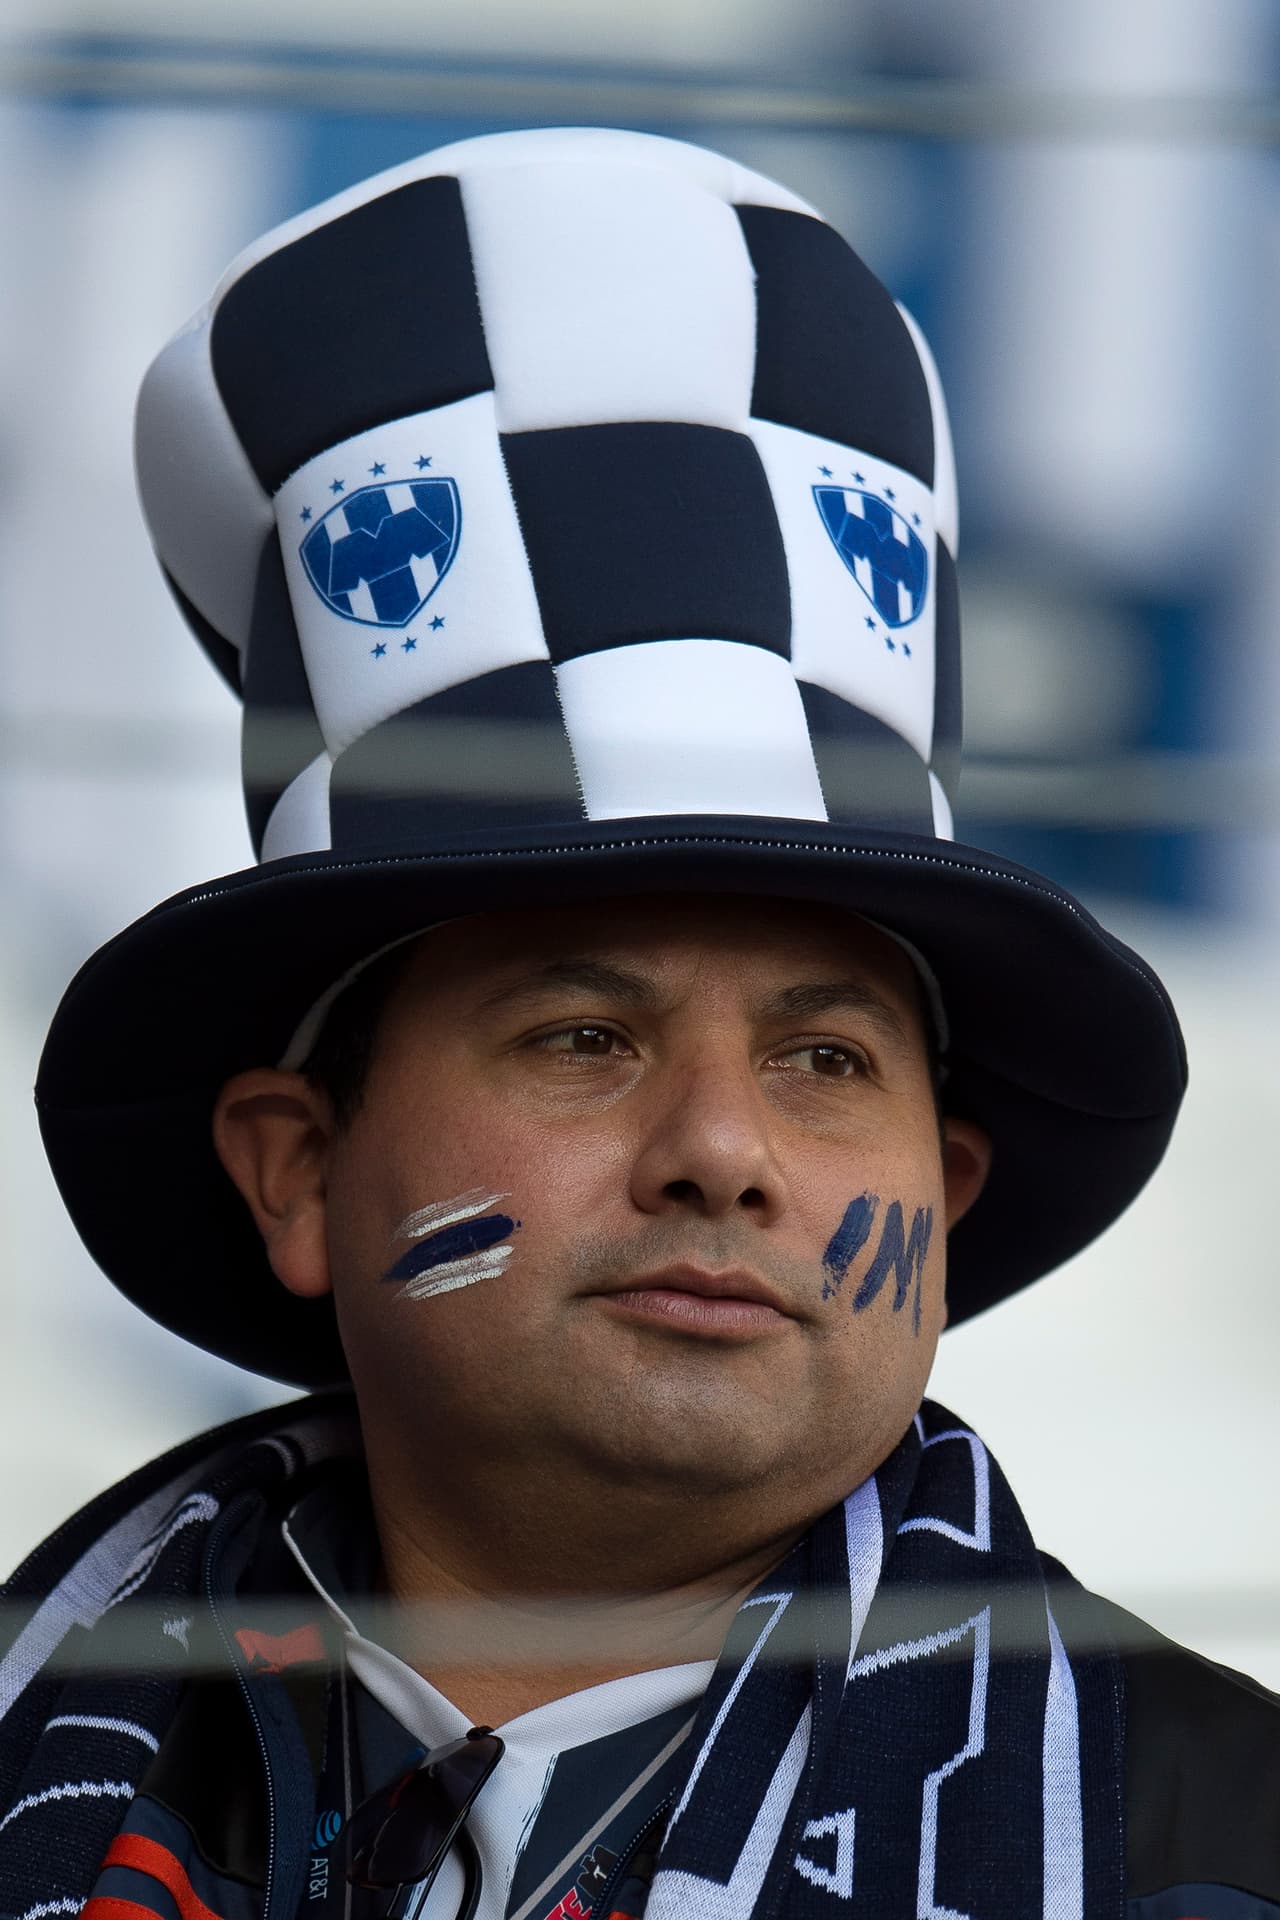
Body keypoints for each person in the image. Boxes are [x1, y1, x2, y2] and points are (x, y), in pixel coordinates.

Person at [3, 127, 1276, 1920]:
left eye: (825, 1061)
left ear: (950, 1190)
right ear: (297, 1172)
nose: (723, 1156)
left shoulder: (1227, 1852)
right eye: (583, 1039)